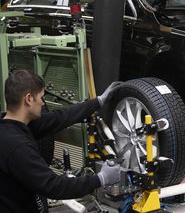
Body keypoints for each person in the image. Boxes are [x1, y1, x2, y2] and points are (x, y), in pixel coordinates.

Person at [0, 70, 122, 212]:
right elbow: (53, 186)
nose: (42, 103)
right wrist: (100, 179)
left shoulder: (13, 125)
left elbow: (59, 118)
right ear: (28, 99)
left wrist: (97, 101)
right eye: (41, 97)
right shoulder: (18, 146)